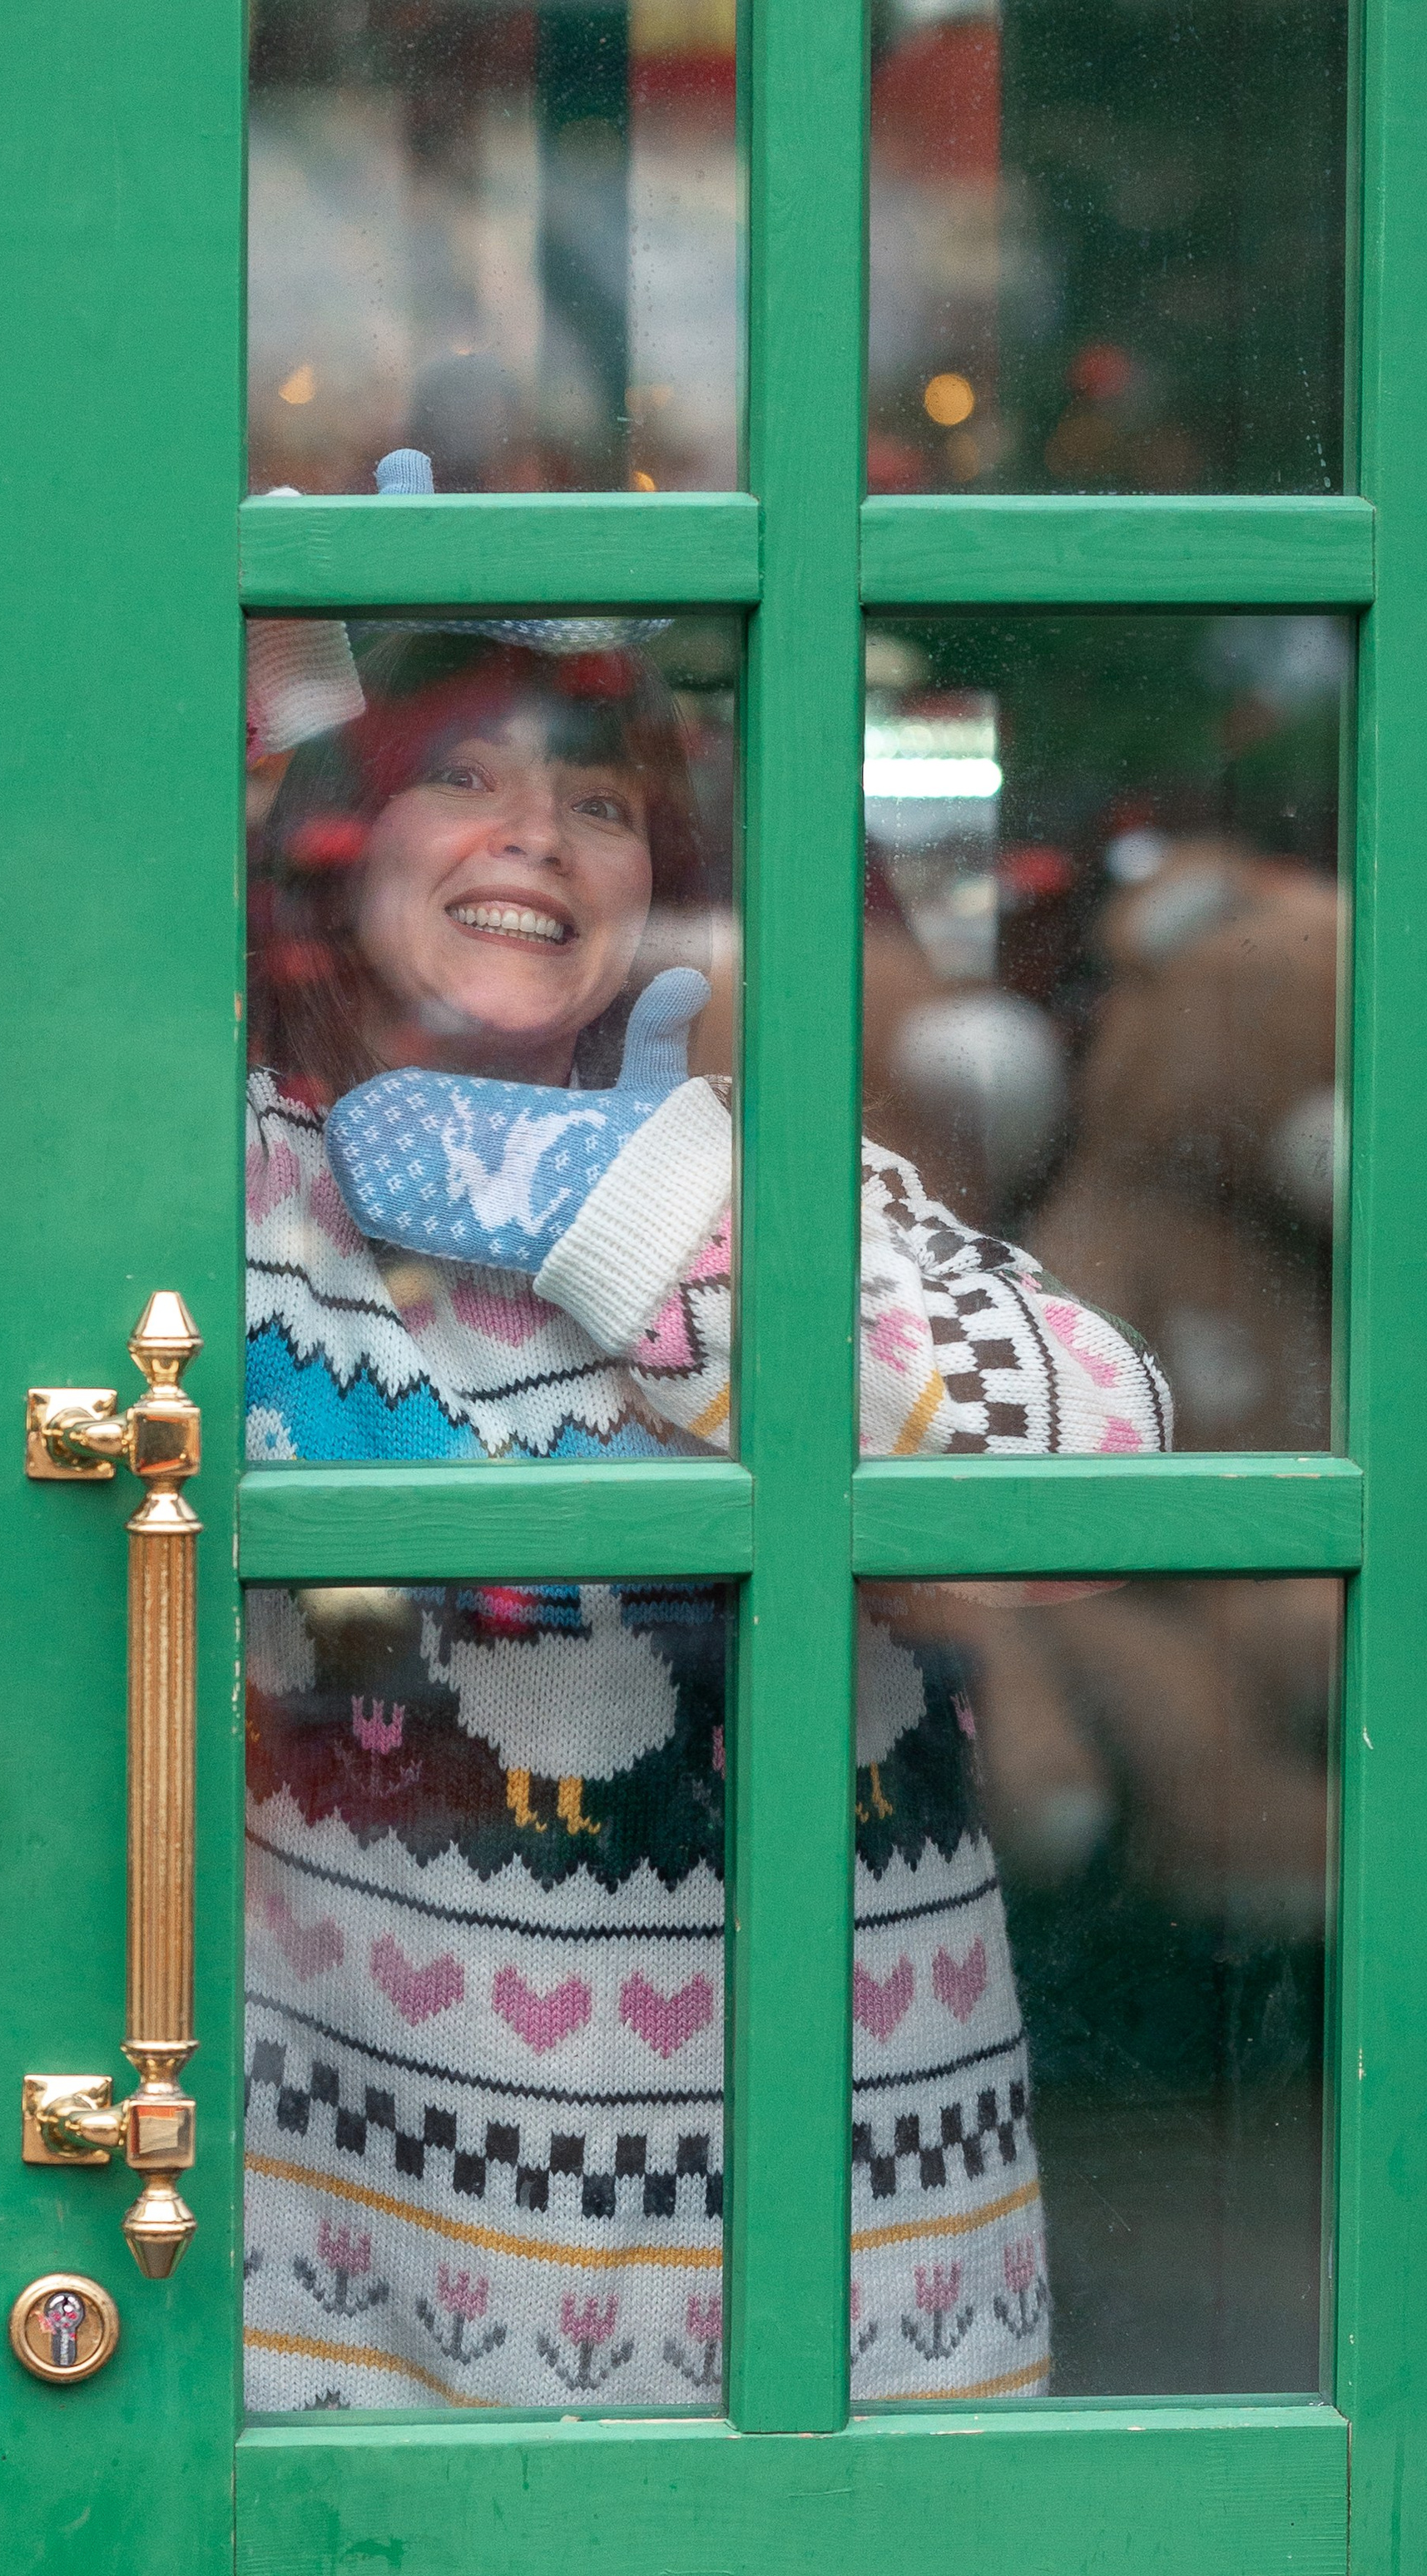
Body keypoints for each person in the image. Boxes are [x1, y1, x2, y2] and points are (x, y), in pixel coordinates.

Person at [241, 615, 1172, 2414]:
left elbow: (1090, 1466)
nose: (538, 832)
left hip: (846, 2317)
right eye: (464, 775)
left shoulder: (756, 1175)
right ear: (333, 845)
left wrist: (631, 1214)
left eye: (597, 801)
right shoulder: (256, 1195)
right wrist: (257, 671)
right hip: (366, 2317)